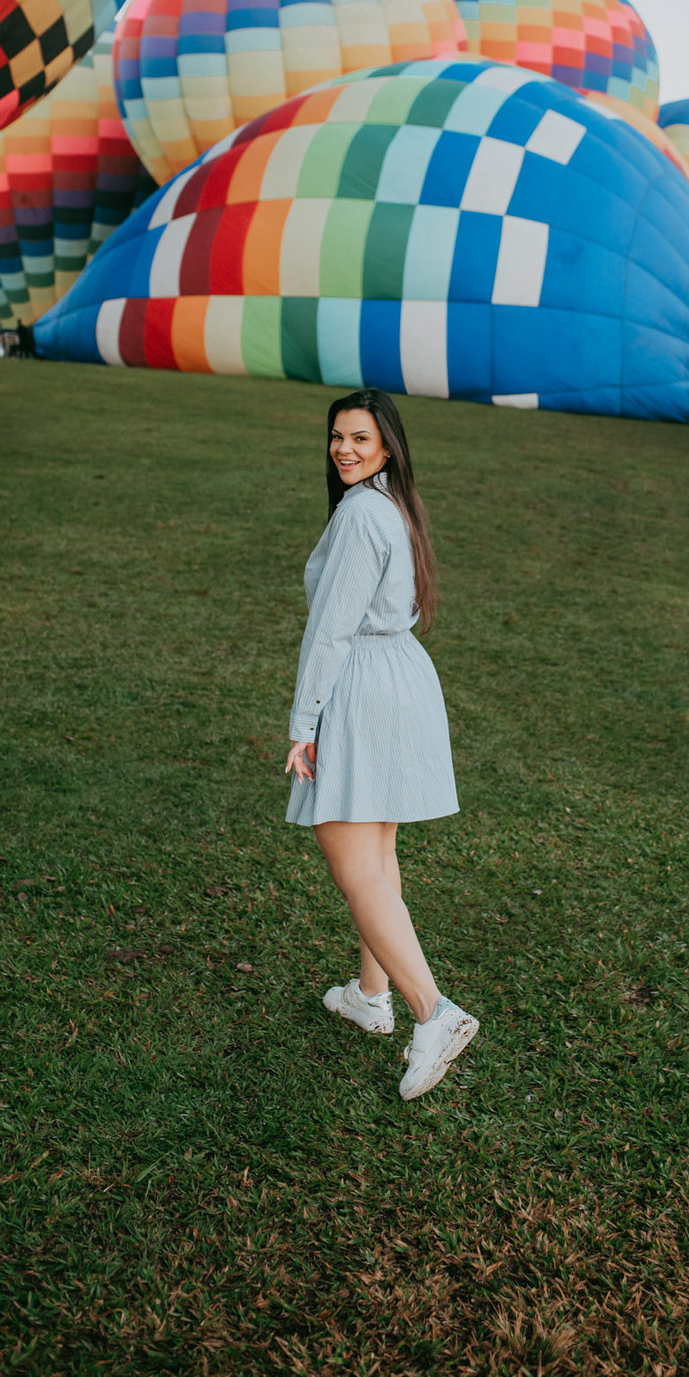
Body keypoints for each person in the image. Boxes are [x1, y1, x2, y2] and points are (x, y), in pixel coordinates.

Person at [285, 388, 478, 1100]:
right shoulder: (393, 502)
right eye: (338, 437)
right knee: (381, 852)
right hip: (401, 673)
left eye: (360, 439)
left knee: (352, 862)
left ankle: (436, 1012)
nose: (344, 449)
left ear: (387, 446)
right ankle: (371, 997)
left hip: (364, 682)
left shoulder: (362, 512)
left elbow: (329, 630)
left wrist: (304, 724)